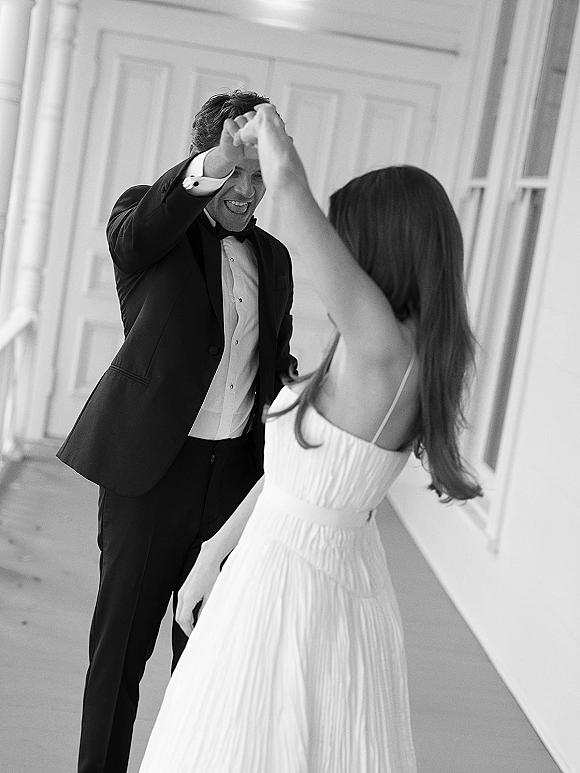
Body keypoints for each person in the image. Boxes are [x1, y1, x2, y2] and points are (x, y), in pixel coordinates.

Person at [137, 104, 483, 773]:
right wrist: (214, 552)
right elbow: (300, 478)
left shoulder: (385, 350)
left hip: (297, 587)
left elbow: (292, 208)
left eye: (349, 238)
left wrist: (265, 130)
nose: (339, 253)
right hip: (283, 562)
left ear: (385, 246)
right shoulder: (384, 348)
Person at [56, 91, 297, 773]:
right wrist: (219, 158)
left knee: (206, 666)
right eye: (236, 171)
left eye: (258, 175)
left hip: (231, 486)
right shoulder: (150, 225)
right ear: (208, 159)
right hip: (150, 478)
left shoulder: (275, 259)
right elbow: (136, 234)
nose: (247, 190)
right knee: (119, 661)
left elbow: (267, 365)